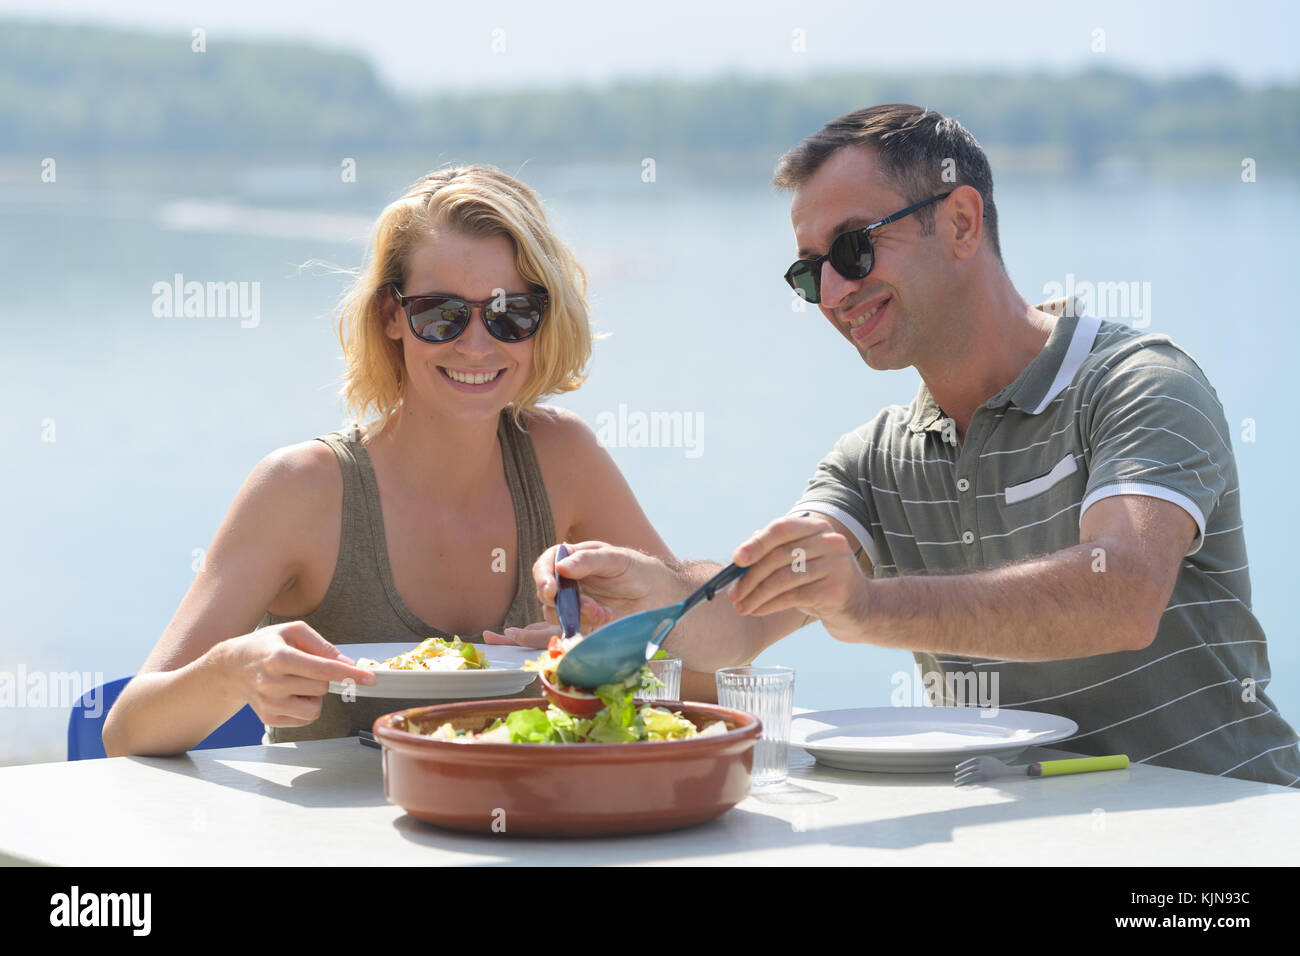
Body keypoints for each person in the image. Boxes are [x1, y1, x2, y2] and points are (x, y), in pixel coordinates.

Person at [505, 105, 1300, 788]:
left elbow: (1121, 597)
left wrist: (868, 605)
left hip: (1221, 824)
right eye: (809, 273)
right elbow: (742, 625)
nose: (835, 293)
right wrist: (651, 600)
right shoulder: (874, 459)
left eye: (854, 249)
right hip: (1021, 831)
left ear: (960, 221)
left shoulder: (1136, 382)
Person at [103, 165, 698, 756]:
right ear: (391, 316)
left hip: (516, 841)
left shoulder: (564, 459)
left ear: (543, 320)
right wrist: (232, 670)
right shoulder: (301, 489)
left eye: (508, 312)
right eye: (440, 314)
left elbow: (711, 674)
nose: (475, 344)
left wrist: (600, 660)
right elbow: (128, 731)